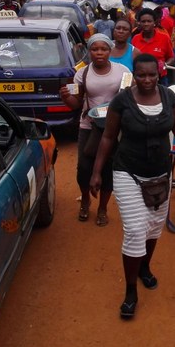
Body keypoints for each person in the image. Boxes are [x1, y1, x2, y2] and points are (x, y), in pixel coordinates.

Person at [90, 54, 175, 319]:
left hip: (160, 174)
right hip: (127, 172)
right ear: (134, 75)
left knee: (154, 227)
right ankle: (131, 290)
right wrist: (97, 172)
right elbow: (108, 137)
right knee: (135, 229)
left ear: (159, 74)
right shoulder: (121, 102)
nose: (147, 80)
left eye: (152, 75)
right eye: (141, 75)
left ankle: (145, 267)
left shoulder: (169, 98)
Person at [60, 34, 128, 226]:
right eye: (95, 49)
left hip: (113, 128)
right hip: (88, 127)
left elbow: (127, 98)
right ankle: (85, 201)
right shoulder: (81, 73)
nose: (99, 53)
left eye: (104, 49)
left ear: (110, 51)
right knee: (84, 168)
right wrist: (65, 98)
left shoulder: (123, 71)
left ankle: (103, 208)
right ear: (89, 51)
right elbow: (76, 103)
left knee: (108, 168)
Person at [131, 9, 175, 81]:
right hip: (141, 79)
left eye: (149, 21)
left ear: (154, 23)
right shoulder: (135, 39)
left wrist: (164, 65)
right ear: (139, 23)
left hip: (160, 78)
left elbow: (171, 58)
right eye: (143, 21)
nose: (146, 24)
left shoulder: (164, 38)